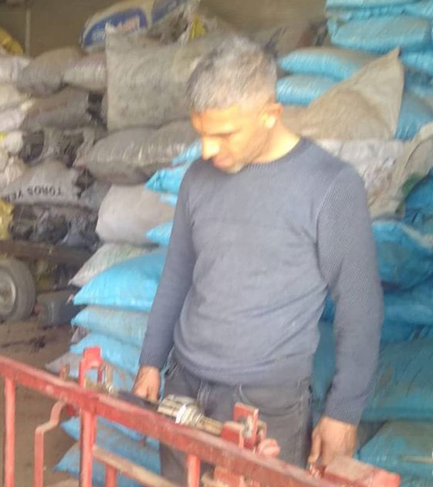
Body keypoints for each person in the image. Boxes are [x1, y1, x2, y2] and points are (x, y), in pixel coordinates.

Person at [132, 35, 383, 480]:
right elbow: (176, 275)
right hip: (183, 385)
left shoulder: (330, 186)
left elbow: (360, 305)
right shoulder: (197, 178)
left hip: (266, 404)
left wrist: (343, 412)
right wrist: (151, 361)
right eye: (201, 133)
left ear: (270, 114)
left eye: (223, 134)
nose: (207, 149)